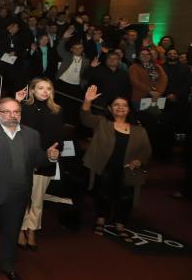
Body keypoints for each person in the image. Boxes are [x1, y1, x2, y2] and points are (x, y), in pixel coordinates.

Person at [0, 98, 60, 280]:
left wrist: (48, 157)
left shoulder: (32, 134)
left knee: (12, 233)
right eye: (7, 112)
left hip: (18, 193)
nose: (12, 116)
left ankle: (8, 265)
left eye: (16, 112)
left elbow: (36, 158)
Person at [81, 86, 152, 240]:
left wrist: (139, 161)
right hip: (105, 166)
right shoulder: (102, 123)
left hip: (128, 169)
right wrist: (87, 101)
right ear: (110, 108)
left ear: (129, 109)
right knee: (103, 194)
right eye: (116, 105)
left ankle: (120, 223)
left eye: (124, 105)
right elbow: (85, 118)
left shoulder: (139, 130)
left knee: (126, 197)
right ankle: (101, 218)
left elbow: (146, 150)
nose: (121, 108)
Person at [14, 78, 65, 250]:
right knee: (22, 198)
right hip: (24, 160)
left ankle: (32, 230)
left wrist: (56, 152)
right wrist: (16, 103)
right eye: (40, 88)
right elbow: (10, 129)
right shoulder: (23, 108)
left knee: (37, 200)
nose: (45, 91)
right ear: (32, 90)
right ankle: (20, 229)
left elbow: (59, 137)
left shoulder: (57, 110)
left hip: (46, 159)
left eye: (48, 88)